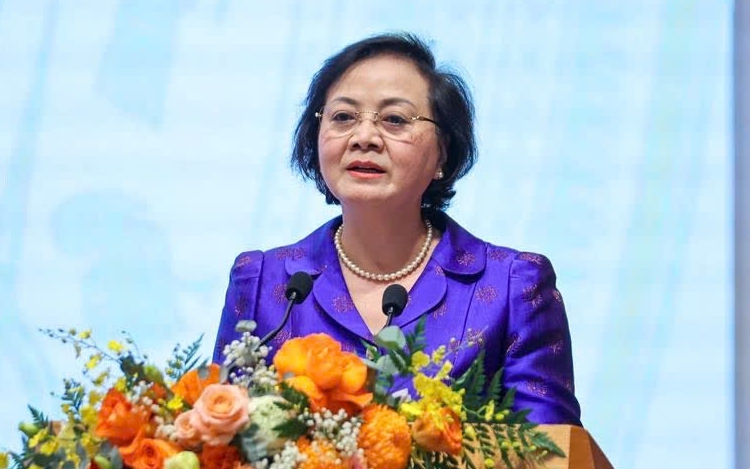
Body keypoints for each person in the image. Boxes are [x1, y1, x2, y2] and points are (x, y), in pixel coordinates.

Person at [212, 33, 581, 425]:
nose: (364, 138)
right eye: (343, 117)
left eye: (395, 120)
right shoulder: (263, 283)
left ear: (443, 152)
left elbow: (552, 447)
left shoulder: (512, 288)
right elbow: (221, 440)